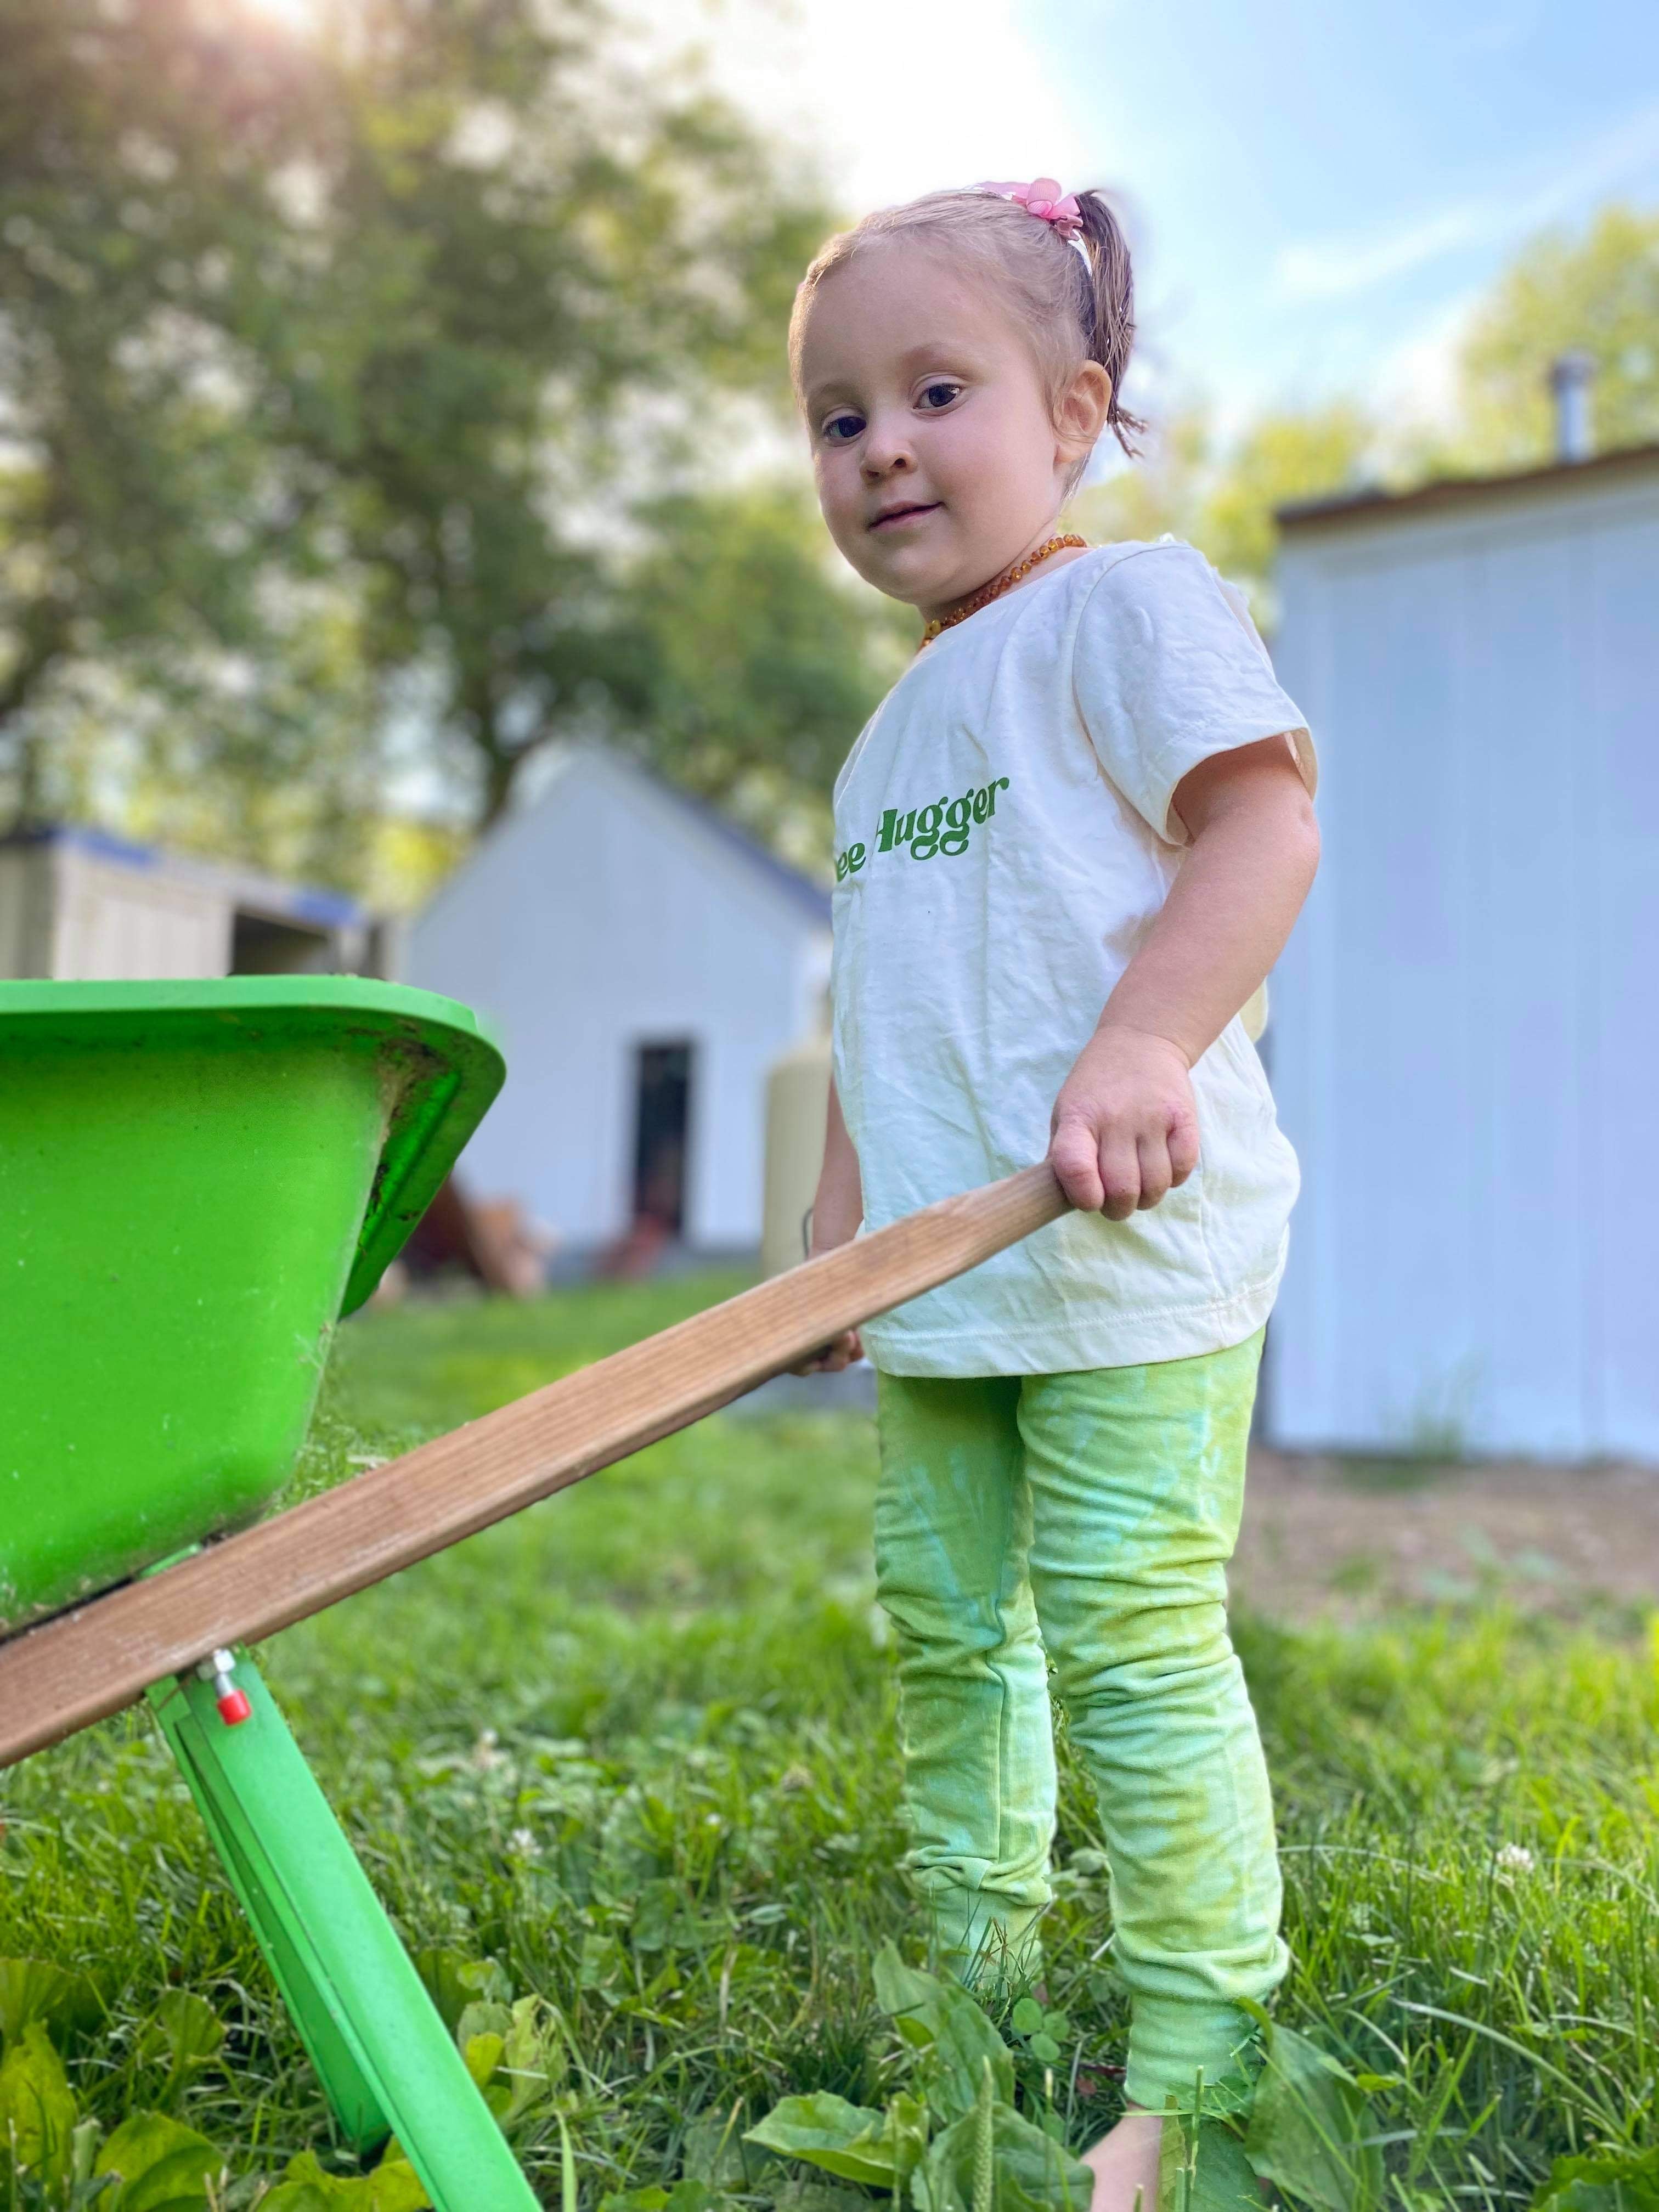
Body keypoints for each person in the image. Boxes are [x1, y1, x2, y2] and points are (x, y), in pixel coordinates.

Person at [788, 180, 1321, 2208]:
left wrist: (1141, 1049)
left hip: (1125, 1252)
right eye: (841, 418)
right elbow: (889, 1001)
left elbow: (1261, 830)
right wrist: (844, 1222)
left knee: (1124, 1636)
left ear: (1080, 404)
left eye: (938, 390)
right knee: (944, 1622)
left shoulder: (1132, 606)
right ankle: (976, 1968)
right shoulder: (882, 735)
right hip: (947, 1276)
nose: (884, 447)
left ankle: (1205, 2049)